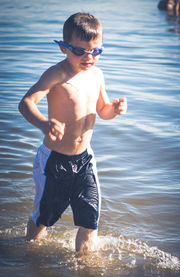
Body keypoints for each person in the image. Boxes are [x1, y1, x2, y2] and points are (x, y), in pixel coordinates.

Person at [18, 13, 127, 254]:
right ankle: (28, 254)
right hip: (54, 160)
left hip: (85, 159)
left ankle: (85, 273)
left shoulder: (97, 76)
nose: (89, 57)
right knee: (43, 218)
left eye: (96, 51)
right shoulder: (56, 75)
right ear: (63, 48)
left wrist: (115, 110)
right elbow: (26, 103)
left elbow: (102, 110)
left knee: (90, 221)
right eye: (81, 51)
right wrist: (44, 124)